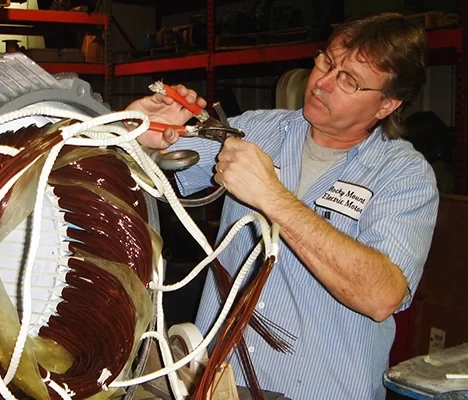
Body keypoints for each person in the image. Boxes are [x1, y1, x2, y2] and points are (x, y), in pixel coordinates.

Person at [127, 12, 439, 400]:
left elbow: (381, 296)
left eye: (349, 81)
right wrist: (140, 130)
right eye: (326, 62)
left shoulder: (404, 176)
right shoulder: (258, 130)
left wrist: (272, 197)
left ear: (386, 105)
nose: (322, 83)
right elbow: (151, 167)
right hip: (219, 383)